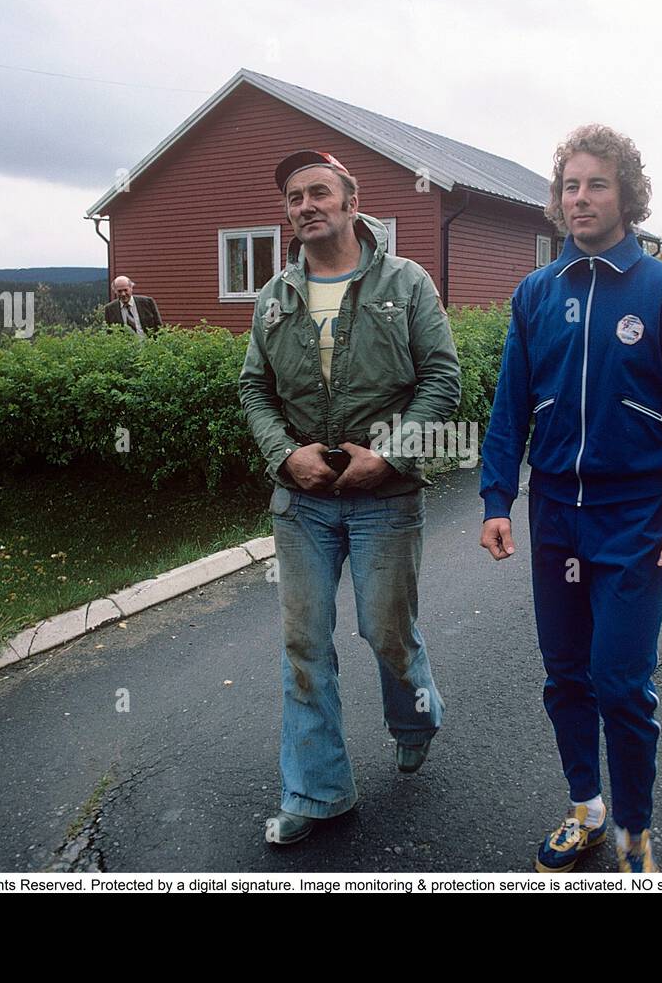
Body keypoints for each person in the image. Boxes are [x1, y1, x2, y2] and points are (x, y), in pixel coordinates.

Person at [478, 125, 662, 873]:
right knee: (565, 676)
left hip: (634, 522)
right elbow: (508, 410)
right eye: (570, 186)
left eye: (597, 184)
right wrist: (497, 499)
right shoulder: (536, 293)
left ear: (628, 195)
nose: (580, 199)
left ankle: (633, 833)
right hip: (554, 516)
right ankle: (586, 810)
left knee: (620, 681)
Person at [238, 149, 461, 846]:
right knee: (304, 643)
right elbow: (254, 390)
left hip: (386, 498)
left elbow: (442, 381)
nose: (305, 205)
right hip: (301, 501)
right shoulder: (275, 296)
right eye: (294, 197)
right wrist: (284, 454)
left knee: (385, 632)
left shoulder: (406, 282)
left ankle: (415, 716)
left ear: (351, 203)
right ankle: (317, 790)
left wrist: (389, 454)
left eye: (318, 192)